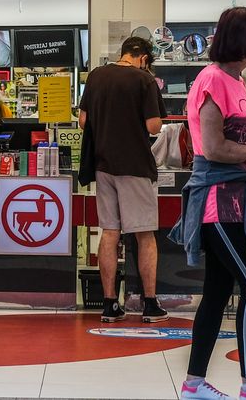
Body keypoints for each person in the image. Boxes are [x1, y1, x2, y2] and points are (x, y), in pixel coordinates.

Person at [171, 8, 246, 400]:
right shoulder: (212, 80)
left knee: (218, 291)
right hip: (216, 202)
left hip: (236, 199)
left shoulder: (237, 81)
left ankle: (193, 384)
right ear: (242, 38)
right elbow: (215, 147)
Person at [78, 36, 167, 324]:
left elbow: (82, 121)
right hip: (135, 166)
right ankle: (150, 305)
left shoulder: (96, 76)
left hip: (103, 165)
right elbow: (154, 126)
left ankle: (109, 305)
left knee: (110, 232)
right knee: (144, 235)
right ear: (143, 57)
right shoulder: (144, 80)